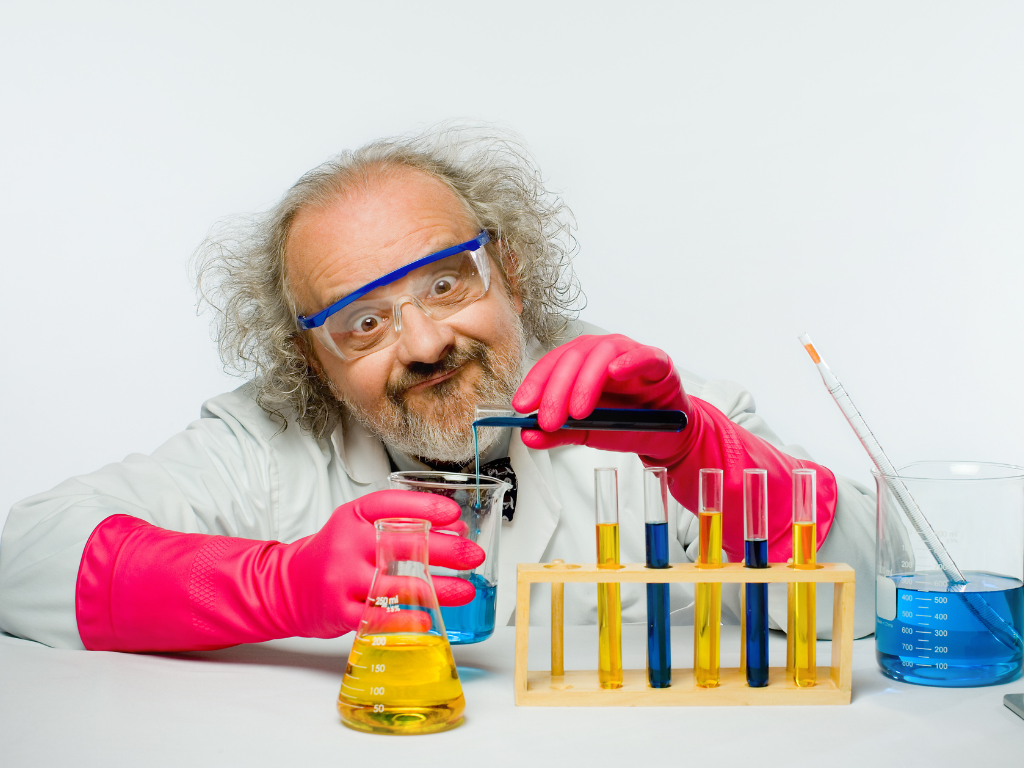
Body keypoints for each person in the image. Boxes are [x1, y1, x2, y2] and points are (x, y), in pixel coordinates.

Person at [0, 125, 876, 652]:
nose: (424, 342)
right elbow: (22, 562)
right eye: (363, 322)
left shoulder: (663, 414)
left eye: (448, 283)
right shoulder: (261, 446)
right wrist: (277, 584)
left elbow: (873, 598)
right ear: (309, 359)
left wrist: (694, 452)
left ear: (515, 271)